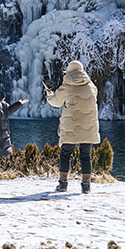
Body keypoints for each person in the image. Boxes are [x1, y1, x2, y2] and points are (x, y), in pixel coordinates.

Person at [45, 60, 100, 194]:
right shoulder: (91, 86)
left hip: (71, 126)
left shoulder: (67, 86)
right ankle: (86, 185)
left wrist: (49, 95)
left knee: (66, 154)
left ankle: (63, 183)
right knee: (86, 155)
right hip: (88, 126)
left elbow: (56, 102)